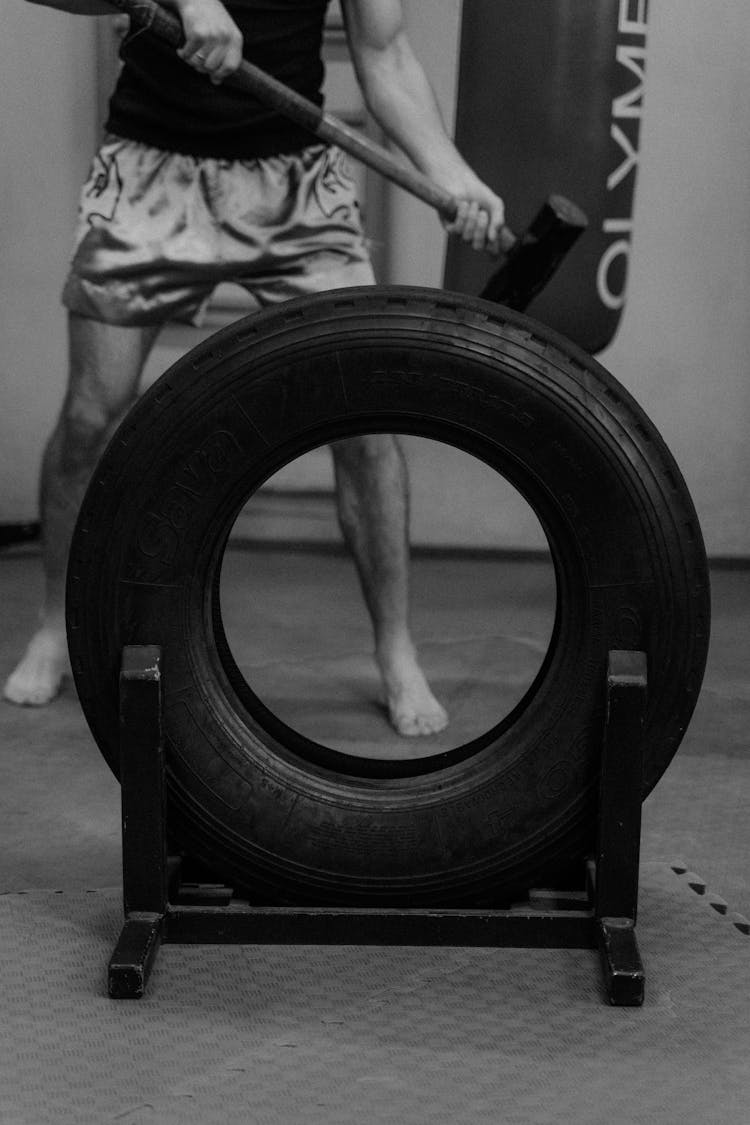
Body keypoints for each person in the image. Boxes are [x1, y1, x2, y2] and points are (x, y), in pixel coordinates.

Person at [5, 0, 505, 737]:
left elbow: (385, 51)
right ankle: (55, 622)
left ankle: (396, 647)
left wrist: (452, 173)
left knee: (364, 423)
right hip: (150, 167)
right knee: (90, 414)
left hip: (293, 177)